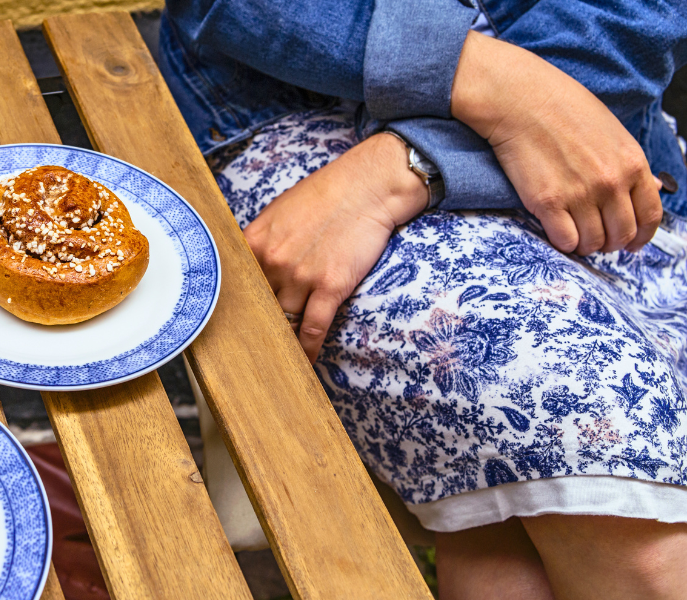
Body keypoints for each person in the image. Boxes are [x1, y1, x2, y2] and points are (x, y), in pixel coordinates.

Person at [158, 0, 687, 597]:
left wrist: (404, 167)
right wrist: (487, 78)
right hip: (300, 115)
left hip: (590, 110)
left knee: (507, 536)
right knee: (607, 454)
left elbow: (628, 18)